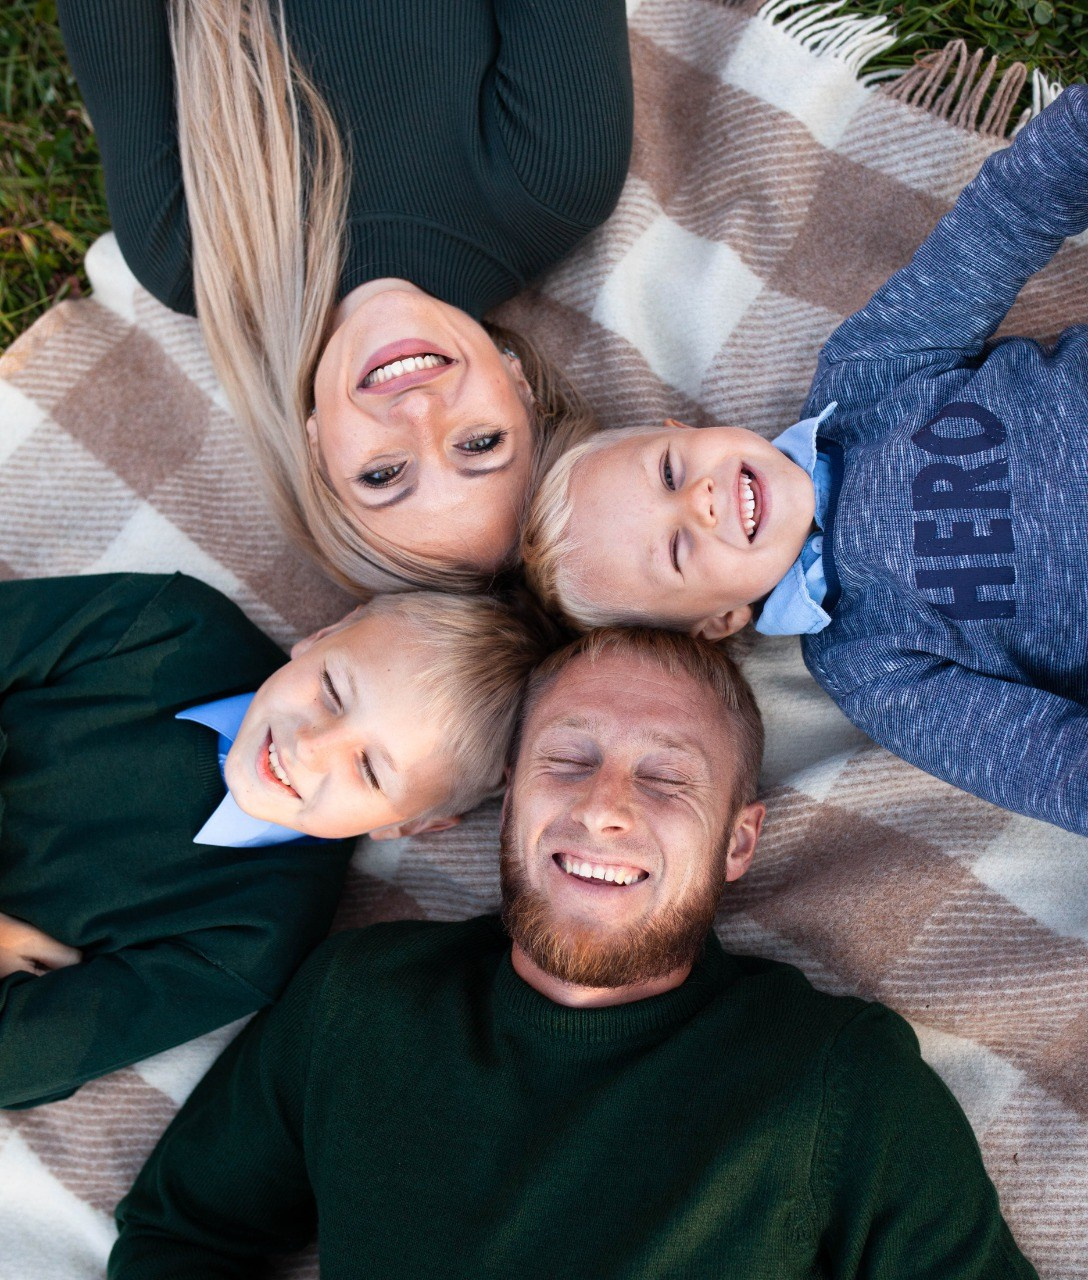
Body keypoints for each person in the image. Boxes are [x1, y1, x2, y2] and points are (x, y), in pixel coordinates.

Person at [108, 628, 1036, 1278]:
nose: (604, 807)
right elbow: (180, 1232)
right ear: (508, 803)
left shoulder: (836, 1077)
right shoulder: (359, 1000)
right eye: (566, 759)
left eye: (669, 776)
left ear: (738, 842)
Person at [522, 85, 1088, 836]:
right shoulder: (867, 665)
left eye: (668, 472)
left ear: (682, 426)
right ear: (718, 621)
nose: (703, 502)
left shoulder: (867, 376)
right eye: (680, 548)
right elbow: (1045, 760)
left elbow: (997, 230)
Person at [56, 0, 632, 593]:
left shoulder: (191, 254)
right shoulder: (556, 177)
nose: (419, 412)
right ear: (521, 386)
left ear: (316, 454)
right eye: (481, 443)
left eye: (383, 474)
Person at [0, 572, 552, 1109]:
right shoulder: (170, 625)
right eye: (333, 692)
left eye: (370, 771)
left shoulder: (252, 940)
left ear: (404, 827)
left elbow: (21, 1059)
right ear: (325, 634)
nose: (311, 746)